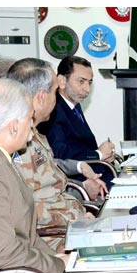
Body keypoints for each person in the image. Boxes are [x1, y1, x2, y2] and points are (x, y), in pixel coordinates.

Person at [7, 58, 108, 248]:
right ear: (41, 97)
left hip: (71, 224)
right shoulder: (13, 145)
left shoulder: (33, 134)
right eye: (55, 91)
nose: (58, 98)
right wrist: (76, 220)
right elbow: (27, 212)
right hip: (55, 241)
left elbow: (51, 178)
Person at [0, 78, 65, 273]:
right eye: (30, 119)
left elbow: (27, 236)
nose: (32, 129)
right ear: (14, 126)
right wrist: (58, 267)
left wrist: (56, 259)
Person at [38, 55, 115, 184]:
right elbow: (59, 153)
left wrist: (103, 155)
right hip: (79, 181)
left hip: (97, 173)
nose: (87, 89)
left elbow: (82, 144)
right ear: (62, 81)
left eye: (89, 82)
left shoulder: (73, 104)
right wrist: (98, 155)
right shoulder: (54, 109)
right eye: (81, 81)